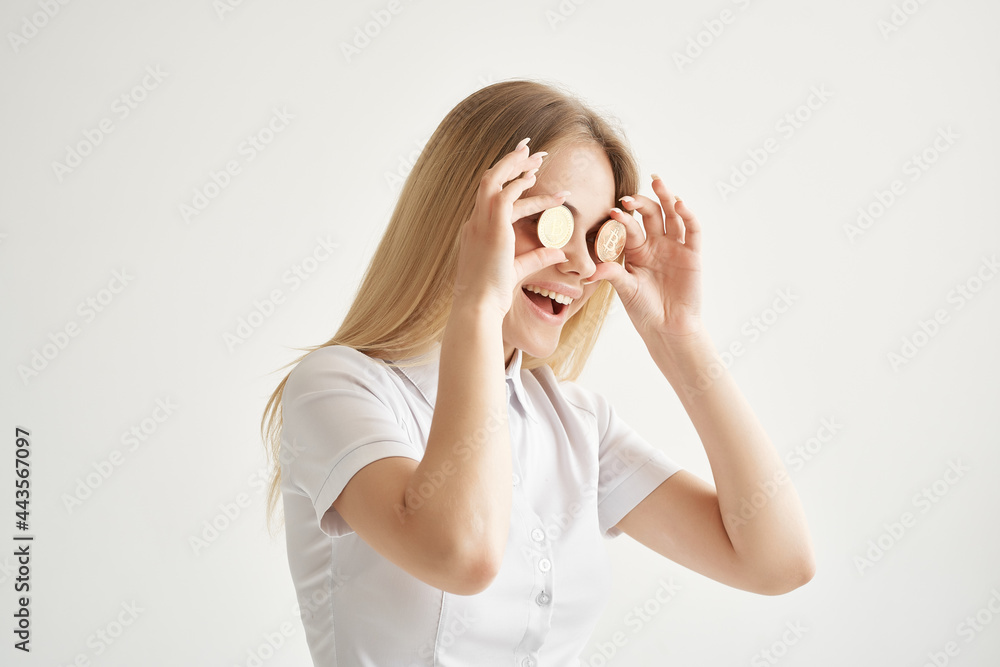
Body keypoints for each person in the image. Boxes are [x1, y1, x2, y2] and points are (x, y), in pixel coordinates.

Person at [260, 79, 815, 666]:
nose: (580, 264)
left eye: (598, 238)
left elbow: (777, 562)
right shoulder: (336, 387)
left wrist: (680, 337)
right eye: (549, 222)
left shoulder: (578, 424)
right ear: (463, 220)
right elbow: (461, 555)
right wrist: (477, 304)